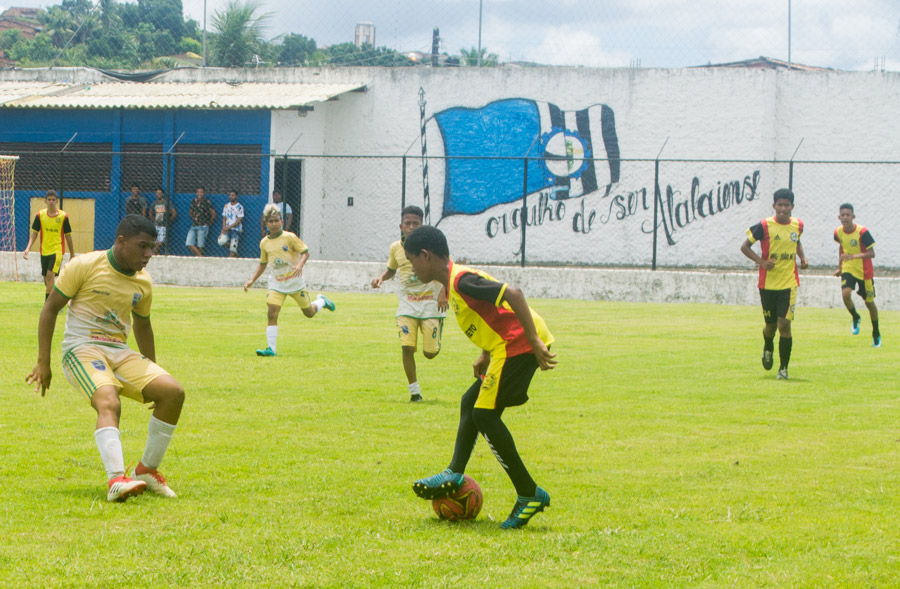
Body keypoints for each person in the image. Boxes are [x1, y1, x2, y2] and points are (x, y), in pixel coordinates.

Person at [403, 225, 557, 530]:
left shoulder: (460, 281)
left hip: (519, 345)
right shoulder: (451, 282)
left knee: (484, 414)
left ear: (426, 255)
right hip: (504, 347)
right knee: (470, 401)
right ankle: (455, 472)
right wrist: (485, 354)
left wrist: (535, 342)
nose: (412, 268)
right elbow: (492, 312)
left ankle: (529, 493)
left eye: (412, 261)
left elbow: (513, 294)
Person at [25, 215, 185, 503]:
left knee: (173, 393)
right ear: (121, 241)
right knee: (109, 400)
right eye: (143, 246)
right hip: (82, 349)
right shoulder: (85, 265)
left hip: (120, 352)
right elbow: (50, 310)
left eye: (153, 248)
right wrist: (43, 362)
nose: (149, 255)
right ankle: (116, 480)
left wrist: (151, 367)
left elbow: (143, 324)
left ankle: (146, 471)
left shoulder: (143, 283)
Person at [370, 206, 447, 402]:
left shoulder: (433, 245)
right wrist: (381, 278)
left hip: (430, 303)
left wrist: (444, 292)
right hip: (407, 305)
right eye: (407, 223)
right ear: (401, 226)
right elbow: (391, 270)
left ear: (422, 225)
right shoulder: (396, 248)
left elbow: (448, 270)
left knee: (430, 353)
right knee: (406, 347)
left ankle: (437, 329)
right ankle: (415, 392)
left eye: (416, 223)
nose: (411, 227)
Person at [243, 204, 336, 357]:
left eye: (276, 220)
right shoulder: (264, 243)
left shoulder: (289, 237)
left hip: (294, 282)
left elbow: (305, 252)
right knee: (272, 312)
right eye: (270, 221)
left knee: (309, 313)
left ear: (282, 221)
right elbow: (263, 264)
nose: (274, 224)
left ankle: (322, 302)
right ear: (266, 223)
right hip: (276, 283)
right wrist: (251, 280)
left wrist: (300, 265)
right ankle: (271, 349)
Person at [740, 188, 808, 380]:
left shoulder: (798, 225)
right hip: (767, 284)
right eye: (780, 205)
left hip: (789, 283)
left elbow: (797, 242)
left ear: (792, 207)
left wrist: (802, 257)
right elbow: (745, 246)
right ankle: (768, 346)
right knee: (770, 327)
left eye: (787, 205)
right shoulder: (764, 225)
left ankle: (783, 369)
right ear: (774, 206)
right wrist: (761, 262)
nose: (783, 209)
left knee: (784, 325)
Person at [833, 203, 880, 347]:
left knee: (869, 303)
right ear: (839, 217)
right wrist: (840, 267)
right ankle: (855, 317)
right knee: (846, 294)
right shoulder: (838, 232)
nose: (845, 217)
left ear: (853, 217)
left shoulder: (862, 232)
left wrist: (853, 256)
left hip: (865, 272)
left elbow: (872, 253)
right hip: (849, 268)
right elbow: (842, 248)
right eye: (843, 215)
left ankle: (876, 332)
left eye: (848, 215)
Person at [23, 190, 75, 300]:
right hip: (44, 251)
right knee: (47, 281)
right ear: (45, 201)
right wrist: (28, 248)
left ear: (57, 201)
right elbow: (34, 233)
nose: (51, 202)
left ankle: (47, 305)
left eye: (53, 200)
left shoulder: (63, 216)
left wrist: (72, 253)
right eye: (49, 200)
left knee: (51, 275)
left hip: (57, 251)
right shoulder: (40, 215)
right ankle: (57, 299)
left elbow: (68, 236)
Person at [186, 186, 217, 257]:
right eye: (198, 192)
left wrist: (209, 223)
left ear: (204, 193)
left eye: (201, 192)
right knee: (189, 243)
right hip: (194, 225)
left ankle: (199, 259)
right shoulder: (194, 201)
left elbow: (213, 214)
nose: (200, 194)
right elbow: (191, 212)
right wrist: (194, 218)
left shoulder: (207, 202)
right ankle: (201, 257)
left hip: (203, 226)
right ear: (196, 193)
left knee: (200, 246)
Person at [150, 188, 177, 255]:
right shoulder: (154, 203)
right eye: (157, 193)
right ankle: (157, 256)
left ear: (163, 194)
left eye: (160, 193)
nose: (158, 195)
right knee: (155, 242)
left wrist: (169, 221)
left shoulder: (166, 203)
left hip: (163, 226)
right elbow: (150, 213)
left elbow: (174, 213)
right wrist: (154, 220)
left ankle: (152, 254)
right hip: (156, 225)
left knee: (160, 242)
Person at [219, 190, 244, 258]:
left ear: (236, 196)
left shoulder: (239, 207)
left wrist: (229, 227)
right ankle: (234, 252)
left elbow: (239, 220)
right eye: (230, 195)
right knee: (221, 242)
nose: (231, 197)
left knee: (233, 248)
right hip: (226, 229)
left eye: (233, 195)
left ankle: (232, 256)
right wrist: (223, 228)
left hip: (236, 229)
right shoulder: (226, 206)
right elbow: (224, 218)